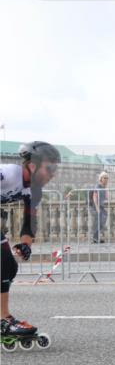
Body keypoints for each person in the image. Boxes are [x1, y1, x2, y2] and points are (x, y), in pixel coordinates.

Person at [1, 141, 60, 347]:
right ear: (33, 165)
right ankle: (3, 320)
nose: (53, 174)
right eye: (50, 168)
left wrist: (26, 244)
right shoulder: (8, 174)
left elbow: (29, 224)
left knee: (10, 265)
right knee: (2, 261)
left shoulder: (34, 192)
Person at [88, 171, 109, 243]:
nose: (106, 179)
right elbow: (95, 197)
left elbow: (106, 198)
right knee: (98, 222)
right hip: (95, 206)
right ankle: (94, 238)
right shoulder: (98, 186)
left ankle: (96, 238)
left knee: (102, 221)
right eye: (104, 178)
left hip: (101, 206)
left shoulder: (104, 187)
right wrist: (97, 208)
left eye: (107, 178)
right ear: (101, 179)